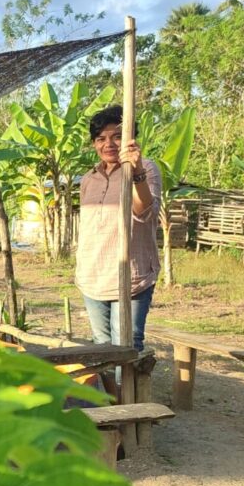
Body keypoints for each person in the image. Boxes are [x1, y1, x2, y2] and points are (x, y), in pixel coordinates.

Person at [76, 104, 162, 385]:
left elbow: (143, 211)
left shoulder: (146, 169)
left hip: (130, 277)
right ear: (94, 144)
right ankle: (113, 410)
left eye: (116, 136)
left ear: (130, 139)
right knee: (101, 348)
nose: (108, 144)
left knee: (126, 346)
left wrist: (134, 171)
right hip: (92, 276)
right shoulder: (89, 178)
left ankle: (130, 411)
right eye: (101, 138)